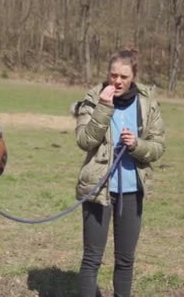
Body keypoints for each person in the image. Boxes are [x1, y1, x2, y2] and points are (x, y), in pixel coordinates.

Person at [72, 49, 165, 296]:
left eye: (124, 76)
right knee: (92, 258)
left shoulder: (147, 103)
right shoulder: (92, 100)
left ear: (134, 76)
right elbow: (84, 141)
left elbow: (158, 146)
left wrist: (137, 145)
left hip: (133, 192)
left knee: (125, 260)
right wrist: (103, 106)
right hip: (97, 190)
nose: (118, 81)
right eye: (113, 75)